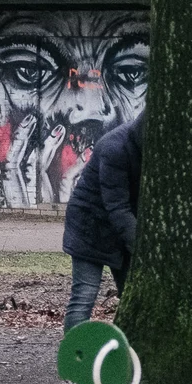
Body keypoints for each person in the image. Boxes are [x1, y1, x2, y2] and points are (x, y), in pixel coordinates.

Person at [61, 115, 143, 330]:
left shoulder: (143, 145)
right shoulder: (114, 148)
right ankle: (75, 358)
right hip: (89, 226)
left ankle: (127, 354)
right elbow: (118, 207)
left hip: (121, 228)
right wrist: (142, 249)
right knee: (84, 296)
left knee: (134, 297)